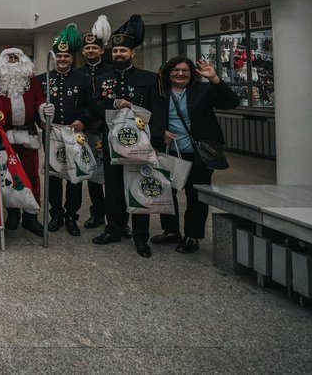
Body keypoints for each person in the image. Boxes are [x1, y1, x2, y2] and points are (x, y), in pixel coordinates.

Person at [150, 56, 238, 253]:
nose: (180, 74)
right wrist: (160, 132)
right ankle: (171, 231)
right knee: (167, 193)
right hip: (170, 152)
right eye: (176, 70)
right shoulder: (160, 93)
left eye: (185, 71)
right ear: (168, 72)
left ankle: (192, 236)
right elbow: (150, 116)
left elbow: (231, 102)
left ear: (192, 74)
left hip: (198, 154)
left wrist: (214, 79)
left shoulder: (203, 90)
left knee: (196, 196)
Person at [91, 15, 159, 258]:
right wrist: (113, 103)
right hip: (111, 142)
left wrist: (155, 141)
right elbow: (95, 106)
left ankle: (141, 237)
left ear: (132, 53)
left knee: (138, 187)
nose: (119, 54)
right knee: (113, 188)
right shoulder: (102, 78)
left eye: (123, 51)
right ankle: (114, 228)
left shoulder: (148, 79)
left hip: (140, 144)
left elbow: (156, 110)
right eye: (116, 50)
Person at [0, 48, 47, 237]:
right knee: (7, 175)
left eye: (16, 58)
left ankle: (31, 215)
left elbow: (38, 101)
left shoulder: (31, 80)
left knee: (31, 174)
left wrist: (44, 108)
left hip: (28, 134)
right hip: (5, 135)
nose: (12, 61)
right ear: (2, 62)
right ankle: (12, 213)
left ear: (22, 61)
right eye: (9, 58)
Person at [37, 25, 92, 237]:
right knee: (53, 175)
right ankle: (56, 215)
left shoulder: (82, 78)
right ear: (54, 57)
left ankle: (71, 216)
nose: (62, 59)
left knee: (73, 175)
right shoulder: (43, 79)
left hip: (73, 132)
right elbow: (35, 105)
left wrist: (83, 121)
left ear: (71, 58)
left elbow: (90, 105)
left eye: (66, 56)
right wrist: (41, 121)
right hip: (51, 133)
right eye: (59, 56)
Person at [73, 15, 111, 230]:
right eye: (87, 48)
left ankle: (117, 218)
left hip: (108, 128)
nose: (90, 51)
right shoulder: (78, 74)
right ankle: (97, 213)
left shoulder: (110, 72)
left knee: (113, 175)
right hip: (86, 129)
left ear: (101, 50)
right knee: (93, 173)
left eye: (94, 48)